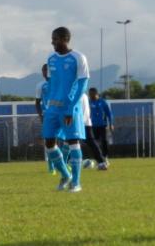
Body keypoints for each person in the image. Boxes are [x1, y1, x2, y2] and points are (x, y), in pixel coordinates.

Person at [43, 27, 90, 193]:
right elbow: (52, 83)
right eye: (52, 38)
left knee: (73, 143)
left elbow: (83, 85)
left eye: (55, 39)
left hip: (70, 108)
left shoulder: (78, 57)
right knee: (49, 143)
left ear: (64, 39)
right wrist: (48, 105)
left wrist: (71, 107)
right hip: (52, 108)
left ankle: (76, 183)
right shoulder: (51, 58)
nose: (52, 42)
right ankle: (65, 175)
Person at [88, 88, 113, 164]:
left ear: (96, 94)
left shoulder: (103, 102)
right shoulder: (89, 102)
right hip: (92, 126)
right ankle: (99, 158)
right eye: (89, 94)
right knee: (94, 143)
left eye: (91, 94)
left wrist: (111, 123)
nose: (90, 95)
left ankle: (105, 157)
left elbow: (109, 114)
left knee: (104, 141)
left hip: (103, 125)